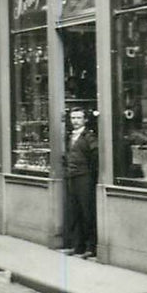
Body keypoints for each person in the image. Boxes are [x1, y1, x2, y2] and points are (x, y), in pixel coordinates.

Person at [64, 108, 99, 258]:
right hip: (72, 177)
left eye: (78, 118)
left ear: (85, 120)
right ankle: (77, 246)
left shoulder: (89, 137)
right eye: (73, 118)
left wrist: (90, 176)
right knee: (75, 211)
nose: (75, 121)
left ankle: (90, 248)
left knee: (87, 212)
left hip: (85, 178)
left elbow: (95, 158)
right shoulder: (69, 136)